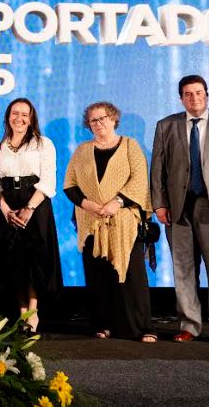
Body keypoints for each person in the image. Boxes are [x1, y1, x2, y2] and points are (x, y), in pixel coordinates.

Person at [150, 75, 209, 345]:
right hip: (177, 208)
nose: (194, 98)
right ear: (181, 98)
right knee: (183, 268)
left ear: (207, 94)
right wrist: (159, 203)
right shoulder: (166, 125)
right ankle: (189, 325)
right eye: (188, 94)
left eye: (199, 92)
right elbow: (157, 168)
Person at [63, 102, 155, 342]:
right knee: (98, 277)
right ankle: (103, 324)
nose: (98, 123)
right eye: (93, 120)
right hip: (91, 222)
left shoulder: (130, 146)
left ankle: (141, 328)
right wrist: (88, 205)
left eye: (102, 118)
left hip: (124, 222)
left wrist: (117, 202)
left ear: (114, 119)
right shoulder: (82, 150)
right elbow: (70, 184)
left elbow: (139, 180)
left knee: (132, 277)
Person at [0, 98, 61, 332]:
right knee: (13, 260)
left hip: (35, 205)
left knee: (34, 260)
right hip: (9, 207)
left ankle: (33, 314)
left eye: (24, 114)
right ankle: (20, 311)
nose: (19, 118)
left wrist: (29, 208)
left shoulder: (43, 144)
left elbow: (49, 180)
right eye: (15, 113)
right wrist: (5, 209)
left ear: (31, 118)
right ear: (8, 117)